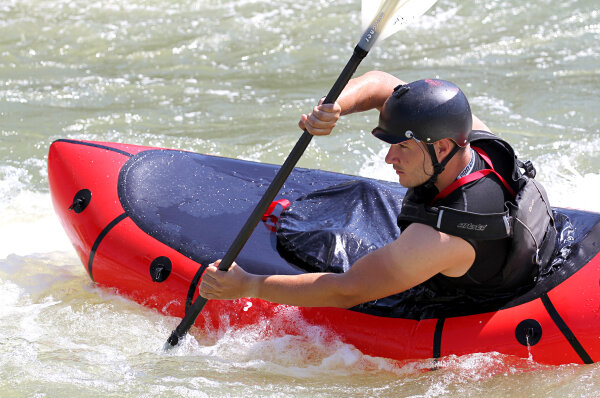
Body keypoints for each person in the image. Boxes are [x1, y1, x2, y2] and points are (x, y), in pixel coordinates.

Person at [199, 71, 555, 308]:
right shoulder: (471, 137)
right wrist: (336, 106)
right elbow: (384, 84)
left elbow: (347, 289)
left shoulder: (440, 239)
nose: (388, 158)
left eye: (402, 147)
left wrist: (248, 286)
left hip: (475, 289)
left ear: (442, 147)